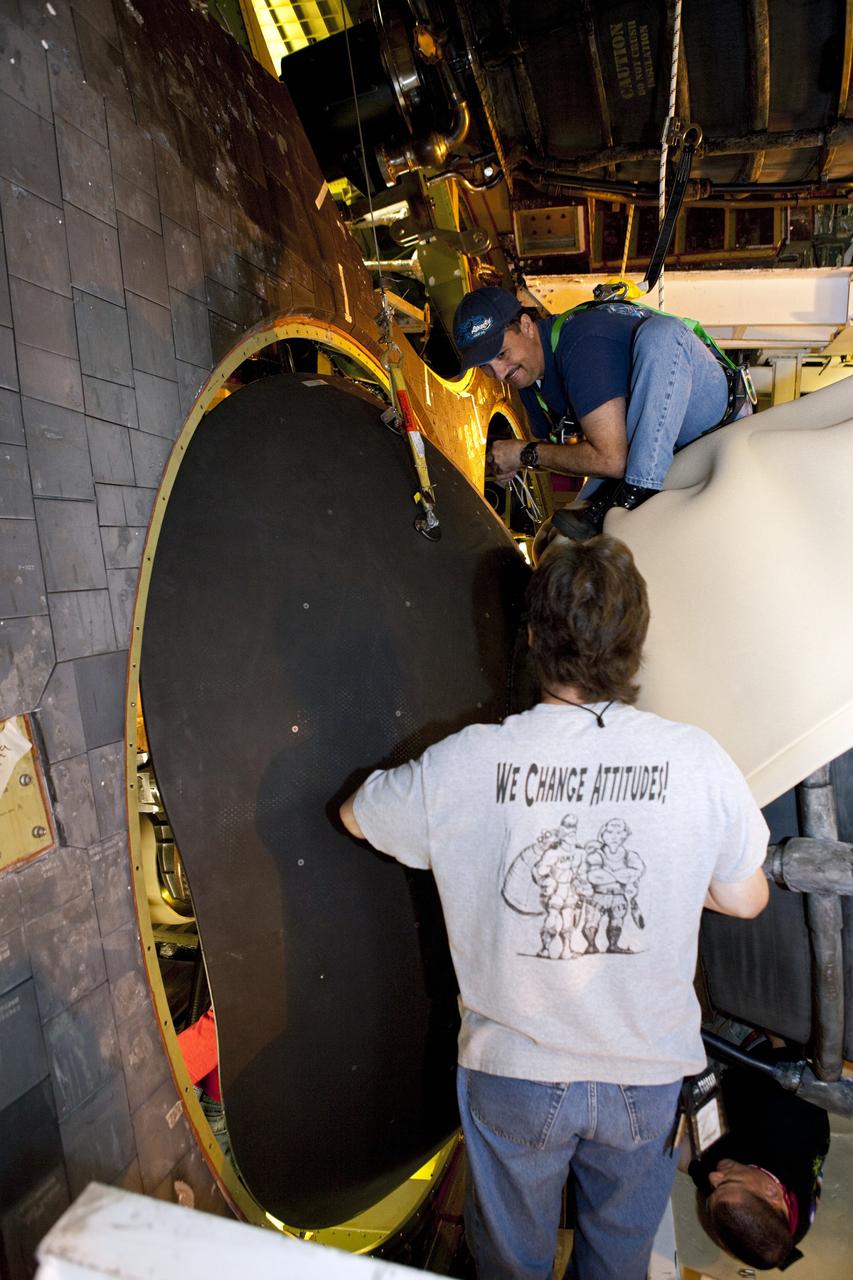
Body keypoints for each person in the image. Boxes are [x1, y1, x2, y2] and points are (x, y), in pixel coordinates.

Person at [340, 535, 770, 1280]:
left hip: (515, 1069)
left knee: (511, 1264)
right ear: (633, 648)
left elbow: (356, 815)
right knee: (618, 1261)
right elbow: (744, 897)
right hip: (643, 1076)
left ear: (533, 637)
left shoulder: (466, 759)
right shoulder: (696, 759)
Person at [452, 285, 737, 540]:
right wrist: (520, 459)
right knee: (557, 538)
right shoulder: (530, 384)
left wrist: (524, 453)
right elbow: (573, 455)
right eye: (486, 367)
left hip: (705, 409)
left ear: (526, 326)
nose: (499, 373)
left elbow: (611, 459)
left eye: (501, 354)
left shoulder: (580, 341)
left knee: (662, 333)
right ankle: (626, 497)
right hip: (644, 447)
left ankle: (634, 498)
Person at [690, 1039, 830, 1270]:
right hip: (757, 1056)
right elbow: (780, 1032)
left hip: (735, 1110)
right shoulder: (794, 1114)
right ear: (771, 1191)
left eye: (713, 1192)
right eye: (726, 1182)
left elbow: (689, 1162)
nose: (714, 1178)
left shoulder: (756, 1216)